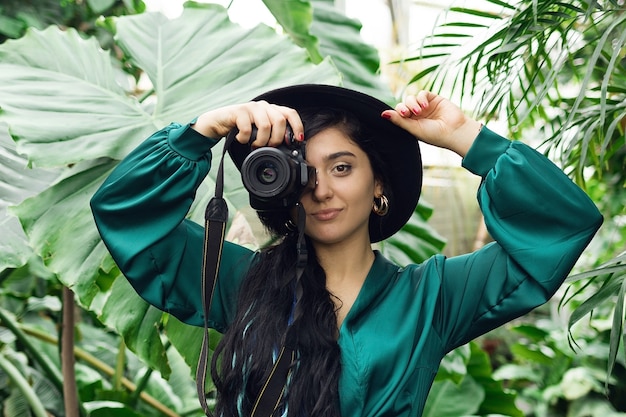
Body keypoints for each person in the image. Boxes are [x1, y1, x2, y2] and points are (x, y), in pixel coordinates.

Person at [90, 84, 602, 417]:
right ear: (284, 188)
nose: (323, 191)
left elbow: (559, 227)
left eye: (342, 167)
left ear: (378, 182)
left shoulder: (434, 298)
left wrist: (469, 138)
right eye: (304, 173)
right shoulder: (238, 281)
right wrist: (201, 133)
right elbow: (129, 218)